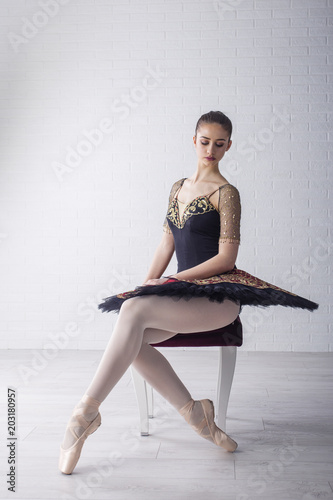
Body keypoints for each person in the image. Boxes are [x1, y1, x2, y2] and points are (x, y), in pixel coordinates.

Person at [59, 111, 318, 475]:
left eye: (220, 143)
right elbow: (166, 243)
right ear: (193, 141)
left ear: (229, 147)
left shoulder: (228, 194)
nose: (211, 149)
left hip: (217, 300)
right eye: (205, 141)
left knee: (132, 317)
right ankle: (196, 415)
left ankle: (83, 416)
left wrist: (170, 283)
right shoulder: (178, 187)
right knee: (131, 332)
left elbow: (227, 257)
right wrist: (147, 284)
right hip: (181, 296)